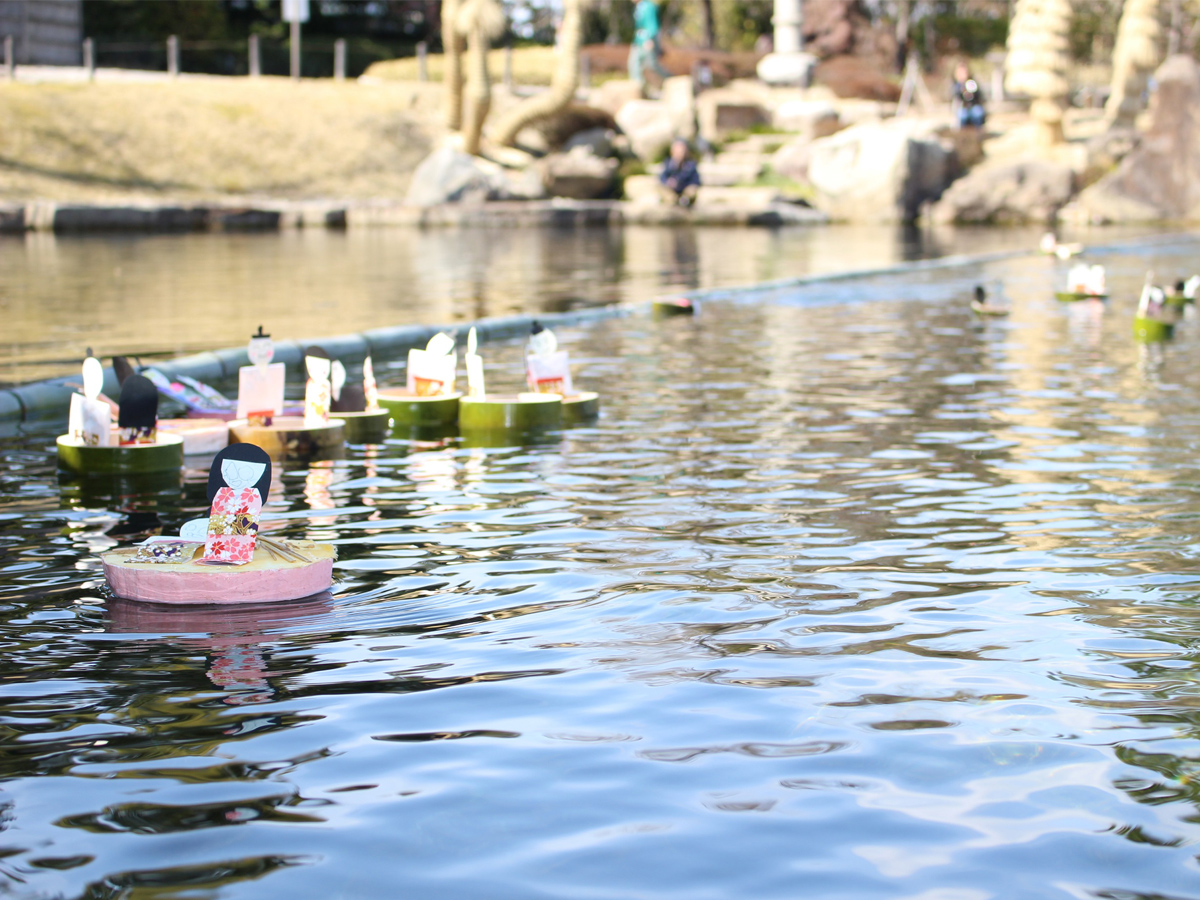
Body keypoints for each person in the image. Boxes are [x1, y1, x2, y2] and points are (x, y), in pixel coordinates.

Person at [628, 0, 669, 88]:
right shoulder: (639, 7)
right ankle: (638, 86)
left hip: (647, 41)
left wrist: (649, 39)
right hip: (638, 41)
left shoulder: (648, 6)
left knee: (652, 65)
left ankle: (671, 79)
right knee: (634, 63)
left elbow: (652, 25)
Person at [659, 138, 700, 207]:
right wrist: (669, 182)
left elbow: (696, 181)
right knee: (664, 190)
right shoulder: (668, 163)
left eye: (682, 151)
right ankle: (672, 201)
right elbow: (662, 177)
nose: (680, 153)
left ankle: (684, 201)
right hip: (672, 190)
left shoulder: (690, 165)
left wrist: (682, 183)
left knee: (692, 191)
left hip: (685, 189)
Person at [952, 61, 985, 130]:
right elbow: (955, 96)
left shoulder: (972, 82)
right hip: (962, 107)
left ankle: (978, 131)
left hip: (973, 105)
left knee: (978, 113)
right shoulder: (955, 84)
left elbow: (978, 94)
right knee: (962, 115)